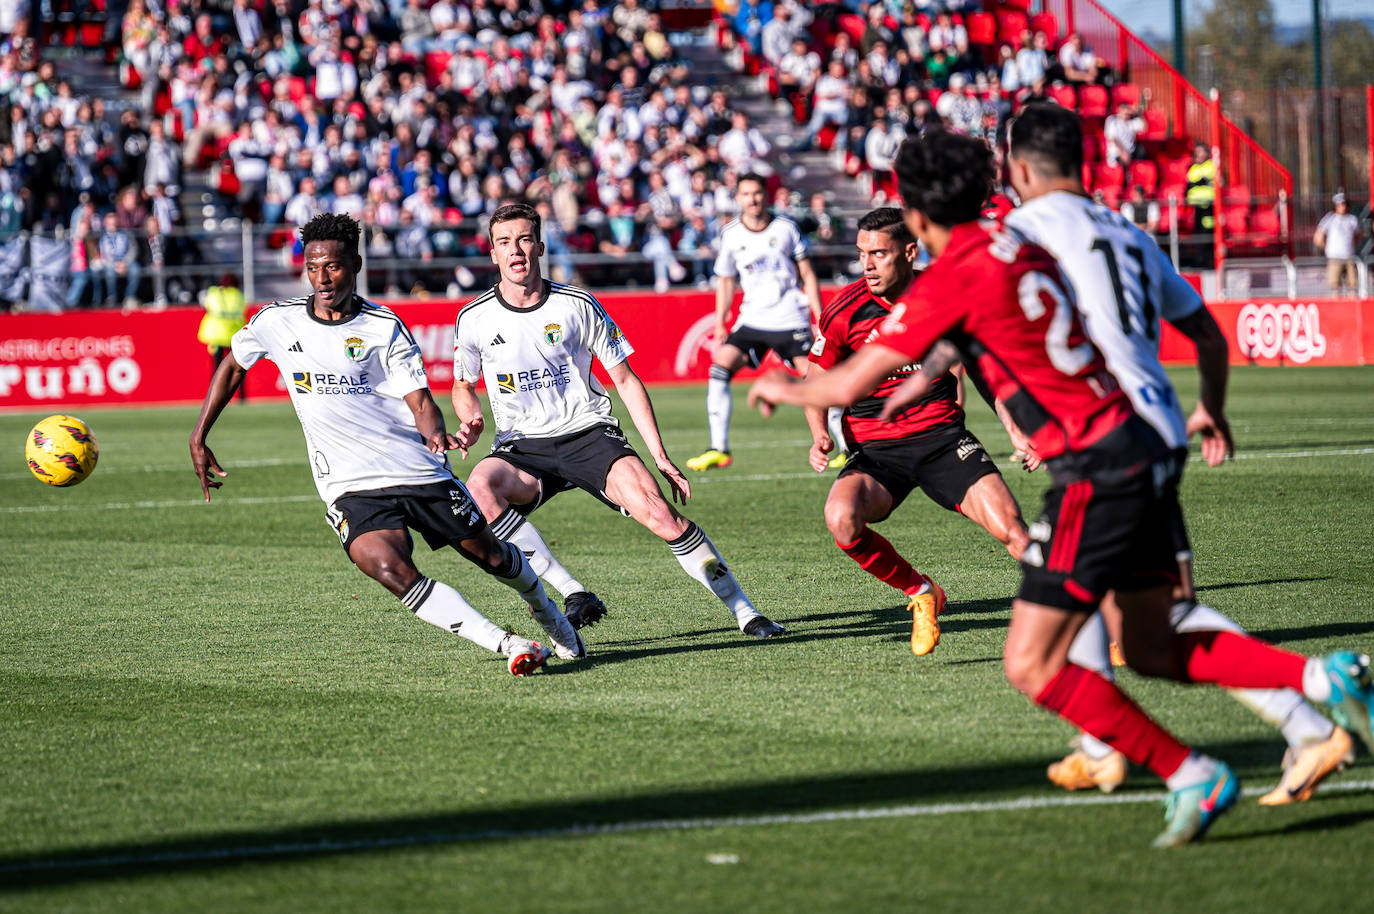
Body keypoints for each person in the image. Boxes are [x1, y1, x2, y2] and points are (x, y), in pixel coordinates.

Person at [747, 129, 1374, 847]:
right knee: (1147, 641)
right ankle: (1301, 694)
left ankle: (1203, 758)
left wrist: (782, 383)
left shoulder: (957, 273)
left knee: (1032, 661)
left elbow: (847, 380)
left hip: (1098, 466)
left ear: (917, 216)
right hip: (1139, 444)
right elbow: (982, 340)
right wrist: (927, 380)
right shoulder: (1022, 249)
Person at [994, 103, 1356, 805]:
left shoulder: (1018, 235)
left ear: (1020, 166)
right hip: (1156, 428)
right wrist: (1210, 409)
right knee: (1118, 609)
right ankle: (1108, 744)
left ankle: (1305, 711)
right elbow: (1210, 337)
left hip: (1102, 437)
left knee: (1134, 619)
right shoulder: (1127, 231)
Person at [189, 213, 584, 678]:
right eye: (313, 267)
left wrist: (436, 431)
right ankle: (506, 643)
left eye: (332, 267)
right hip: (349, 486)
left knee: (492, 556)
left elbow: (420, 401)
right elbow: (234, 365)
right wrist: (200, 434)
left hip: (417, 472)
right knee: (389, 568)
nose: (321, 278)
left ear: (354, 264)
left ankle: (547, 612)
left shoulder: (383, 326)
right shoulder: (278, 321)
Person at [451, 203, 786, 640]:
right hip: (523, 446)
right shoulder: (473, 317)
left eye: (524, 239)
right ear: (493, 254)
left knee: (660, 515)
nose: (515, 251)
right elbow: (462, 384)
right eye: (504, 243)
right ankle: (573, 592)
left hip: (589, 434)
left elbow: (625, 380)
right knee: (479, 488)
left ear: (540, 246)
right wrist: (471, 416)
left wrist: (660, 456)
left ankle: (747, 612)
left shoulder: (577, 304)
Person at [803, 207, 1029, 656]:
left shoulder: (947, 295)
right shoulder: (845, 310)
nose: (867, 265)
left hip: (943, 442)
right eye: (861, 254)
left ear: (909, 252)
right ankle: (921, 591)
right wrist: (818, 433)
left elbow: (985, 372)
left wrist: (1016, 431)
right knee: (841, 520)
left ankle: (1102, 623)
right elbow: (815, 379)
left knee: (1016, 535)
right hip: (877, 453)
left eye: (878, 254)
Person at [685, 173, 822, 471]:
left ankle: (838, 443)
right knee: (720, 367)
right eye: (746, 194)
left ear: (766, 195)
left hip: (789, 317)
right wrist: (721, 320)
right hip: (752, 319)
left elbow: (808, 275)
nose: (753, 199)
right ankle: (718, 449)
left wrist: (819, 315)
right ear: (738, 198)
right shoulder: (731, 233)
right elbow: (725, 281)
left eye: (757, 193)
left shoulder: (786, 228)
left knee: (817, 379)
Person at [197, 272, 248, 400]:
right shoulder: (239, 296)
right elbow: (242, 313)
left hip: (216, 335)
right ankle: (241, 397)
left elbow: (207, 306)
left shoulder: (214, 293)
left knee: (218, 369)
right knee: (239, 368)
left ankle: (215, 397)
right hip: (234, 336)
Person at [1314, 192, 1363, 297]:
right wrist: (1327, 248)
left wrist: (1352, 245)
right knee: (1335, 288)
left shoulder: (1352, 219)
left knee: (1353, 287)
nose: (1342, 207)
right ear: (1336, 205)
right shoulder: (1330, 218)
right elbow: (1318, 237)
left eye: (1344, 204)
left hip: (1349, 257)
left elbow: (1359, 235)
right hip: (1335, 258)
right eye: (1340, 204)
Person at [1185, 143, 1215, 232]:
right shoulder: (1193, 167)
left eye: (1199, 151)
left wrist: (1197, 181)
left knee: (1207, 228)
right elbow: (1190, 180)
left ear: (1207, 153)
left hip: (1207, 204)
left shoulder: (1211, 165)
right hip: (1195, 204)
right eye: (1196, 152)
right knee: (1197, 229)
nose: (1197, 154)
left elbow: (1200, 179)